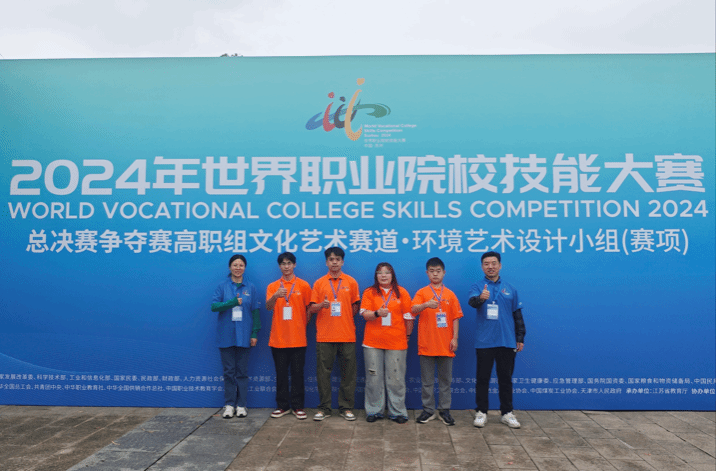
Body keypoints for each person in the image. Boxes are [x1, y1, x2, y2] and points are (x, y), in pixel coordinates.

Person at [468, 251, 526, 429]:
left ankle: (507, 413)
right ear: (482, 267)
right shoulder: (478, 286)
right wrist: (481, 298)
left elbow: (517, 315)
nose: (490, 266)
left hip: (507, 341)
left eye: (493, 263)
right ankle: (481, 412)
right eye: (486, 264)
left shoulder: (510, 288)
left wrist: (520, 337)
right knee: (482, 378)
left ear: (500, 265)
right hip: (485, 341)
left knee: (505, 379)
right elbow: (472, 303)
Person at [308, 247, 361, 421]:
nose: (334, 262)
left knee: (348, 374)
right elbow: (311, 308)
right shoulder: (319, 283)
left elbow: (355, 306)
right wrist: (321, 306)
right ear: (326, 262)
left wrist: (344, 317)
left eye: (338, 259)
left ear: (342, 262)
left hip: (347, 335)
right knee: (323, 374)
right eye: (331, 259)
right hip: (325, 336)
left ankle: (346, 408)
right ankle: (324, 408)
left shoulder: (351, 282)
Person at [411, 257, 463, 426]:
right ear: (427, 273)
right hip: (426, 344)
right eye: (432, 271)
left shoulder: (450, 294)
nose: (435, 274)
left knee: (445, 381)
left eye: (438, 271)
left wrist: (455, 338)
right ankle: (428, 410)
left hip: (446, 344)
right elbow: (413, 310)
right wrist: (425, 304)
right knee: (427, 382)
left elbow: (455, 317)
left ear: (444, 273)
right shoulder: (422, 293)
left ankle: (444, 410)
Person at [359, 262, 413, 424]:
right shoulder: (369, 292)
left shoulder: (401, 292)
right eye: (380, 272)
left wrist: (407, 335)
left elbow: (409, 317)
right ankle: (374, 410)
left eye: (387, 272)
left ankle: (398, 412)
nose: (383, 275)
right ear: (376, 276)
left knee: (396, 379)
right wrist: (377, 313)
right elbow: (365, 314)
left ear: (392, 275)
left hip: (396, 342)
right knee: (373, 378)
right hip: (373, 342)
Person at [210, 254, 261, 419]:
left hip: (244, 335)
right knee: (229, 372)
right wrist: (231, 302)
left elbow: (255, 312)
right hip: (226, 336)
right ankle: (229, 404)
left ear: (244, 268)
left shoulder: (251, 287)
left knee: (242, 372)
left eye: (241, 265)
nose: (238, 268)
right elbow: (214, 306)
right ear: (229, 267)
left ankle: (241, 405)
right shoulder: (222, 286)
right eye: (235, 265)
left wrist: (254, 333)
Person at [266, 252, 313, 420]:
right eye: (283, 263)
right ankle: (282, 406)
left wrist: (301, 324)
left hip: (298, 338)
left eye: (289, 263)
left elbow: (309, 308)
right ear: (279, 266)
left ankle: (298, 406)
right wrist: (275, 296)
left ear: (294, 265)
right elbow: (268, 307)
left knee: (298, 374)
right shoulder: (273, 286)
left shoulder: (303, 285)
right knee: (281, 375)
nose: (286, 266)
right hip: (278, 338)